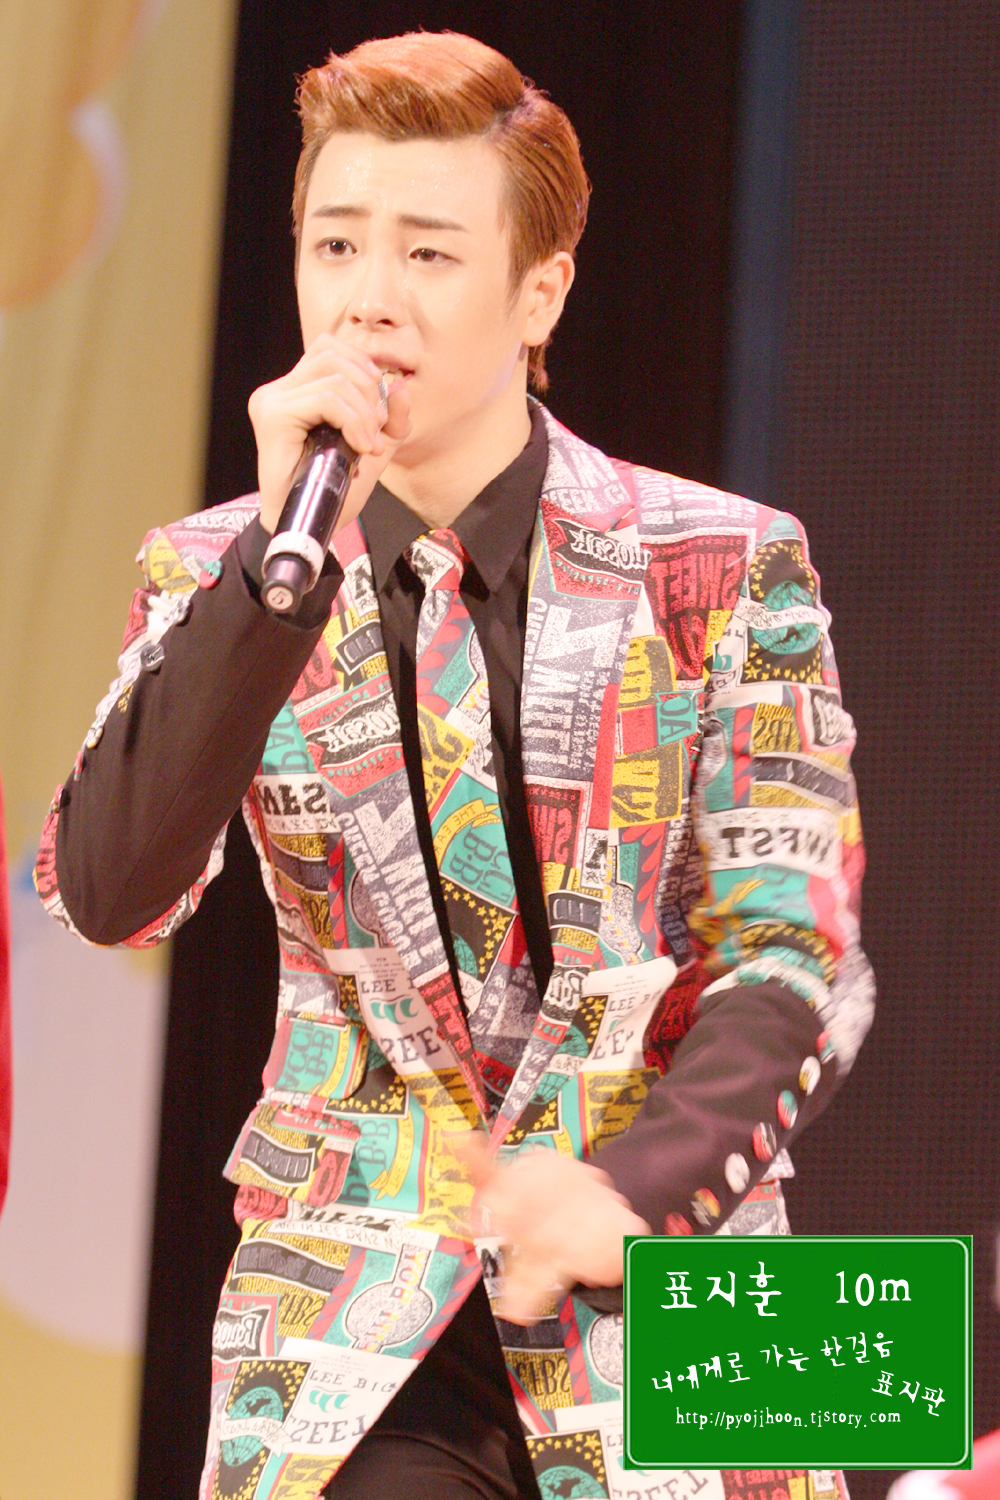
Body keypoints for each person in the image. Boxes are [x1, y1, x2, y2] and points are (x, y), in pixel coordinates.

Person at [35, 31, 874, 1500]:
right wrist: (271, 581)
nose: (370, 297)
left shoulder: (725, 562)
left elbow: (791, 953)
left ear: (539, 291)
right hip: (360, 1294)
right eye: (336, 244)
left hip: (676, 1267)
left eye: (427, 252)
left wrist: (629, 1192)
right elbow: (109, 893)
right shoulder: (223, 572)